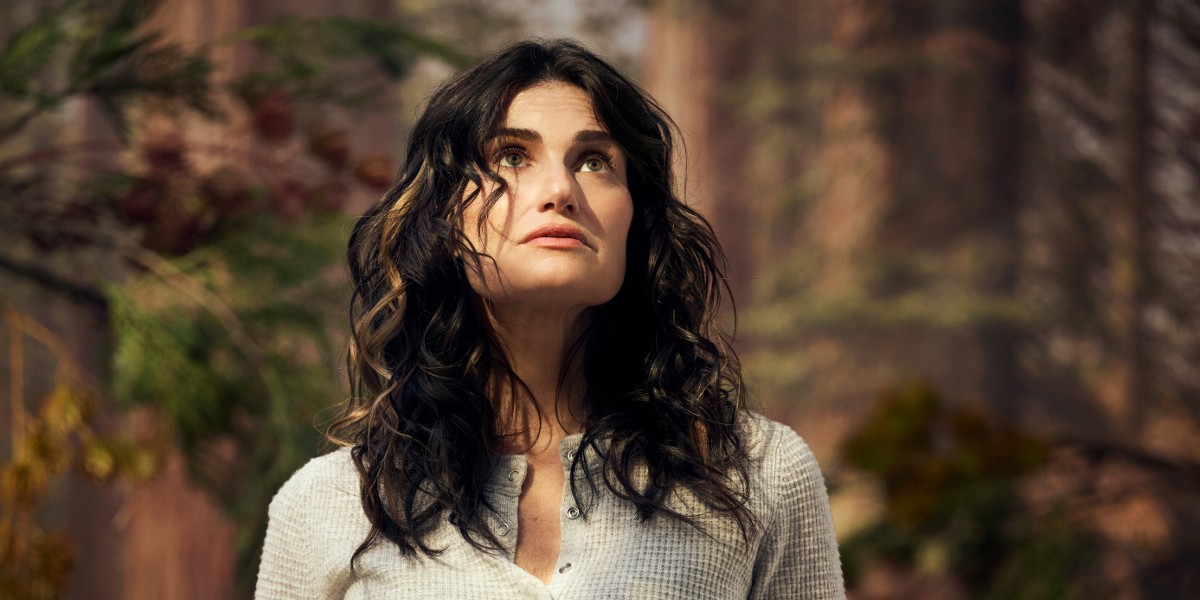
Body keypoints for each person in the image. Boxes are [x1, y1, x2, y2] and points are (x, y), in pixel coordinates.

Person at [254, 38, 844, 599]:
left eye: (594, 162)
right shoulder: (329, 505)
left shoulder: (756, 473)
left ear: (635, 223)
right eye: (511, 156)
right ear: (443, 223)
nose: (559, 188)